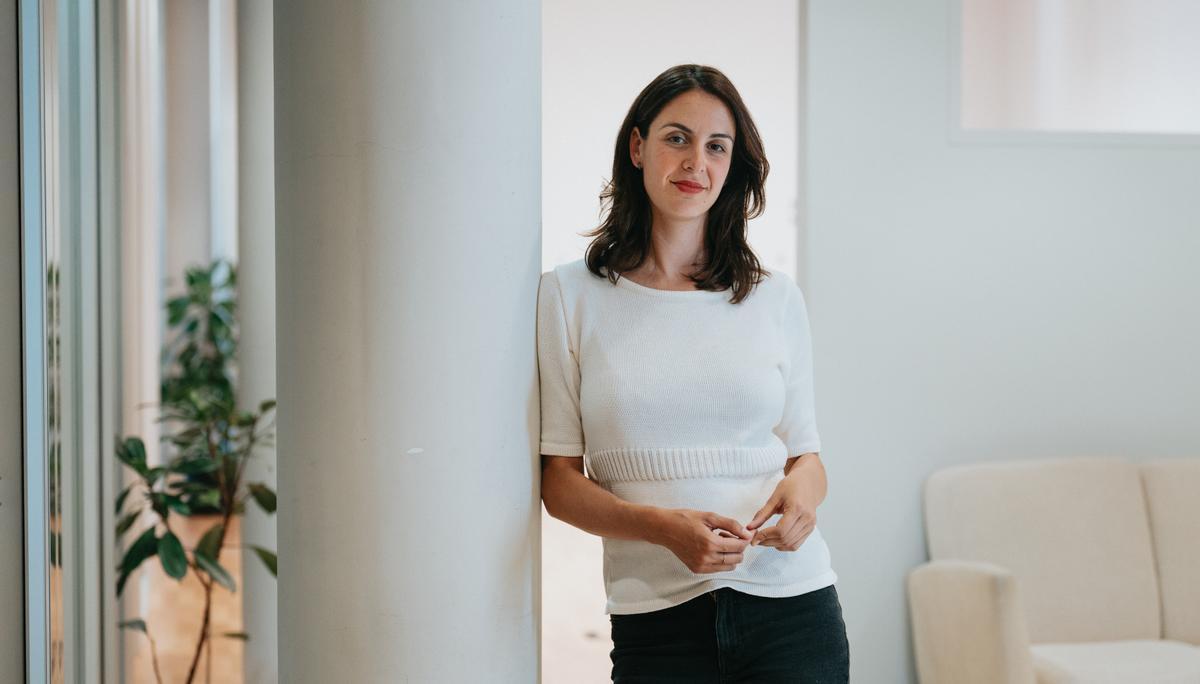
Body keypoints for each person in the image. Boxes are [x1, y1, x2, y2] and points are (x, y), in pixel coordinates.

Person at [537, 63, 850, 683]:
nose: (695, 163)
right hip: (656, 622)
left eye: (716, 146)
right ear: (637, 146)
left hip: (794, 611)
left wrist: (803, 502)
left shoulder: (775, 298)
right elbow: (559, 483)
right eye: (676, 138)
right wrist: (662, 528)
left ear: (733, 165)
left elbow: (806, 458)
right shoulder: (569, 296)